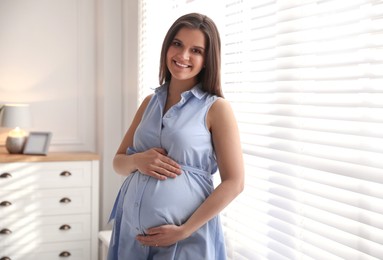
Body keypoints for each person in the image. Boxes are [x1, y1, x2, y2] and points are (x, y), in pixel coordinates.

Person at [108, 12, 244, 260]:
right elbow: (118, 162)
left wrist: (183, 231)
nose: (183, 56)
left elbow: (234, 182)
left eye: (196, 50)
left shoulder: (216, 108)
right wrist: (137, 161)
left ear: (207, 59)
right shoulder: (149, 102)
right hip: (130, 235)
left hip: (186, 239)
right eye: (177, 44)